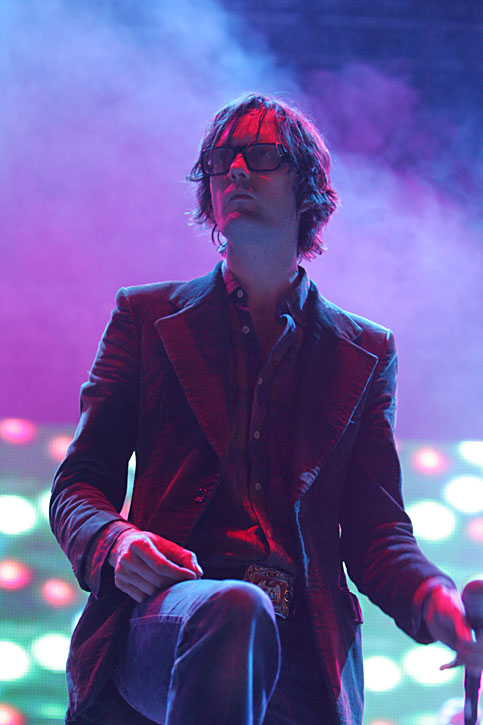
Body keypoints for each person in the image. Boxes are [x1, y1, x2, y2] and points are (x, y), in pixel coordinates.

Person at [50, 93, 483, 725]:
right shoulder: (143, 318)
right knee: (236, 608)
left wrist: (434, 600)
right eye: (222, 159)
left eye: (261, 155)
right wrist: (115, 542)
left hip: (306, 644)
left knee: (250, 616)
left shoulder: (365, 352)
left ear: (307, 188)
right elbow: (77, 485)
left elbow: (376, 531)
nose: (236, 171)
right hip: (169, 619)